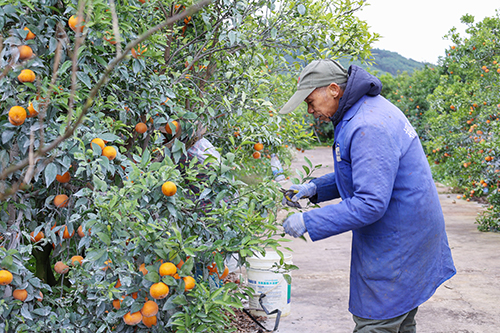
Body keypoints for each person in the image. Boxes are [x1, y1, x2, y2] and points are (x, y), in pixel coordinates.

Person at [279, 59, 456, 333]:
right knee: (401, 320)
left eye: (311, 101)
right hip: (412, 233)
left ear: (334, 89)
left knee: (376, 323)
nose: (310, 110)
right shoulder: (365, 110)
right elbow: (365, 172)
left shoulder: (367, 125)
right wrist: (313, 189)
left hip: (400, 243)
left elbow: (370, 202)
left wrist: (308, 221)